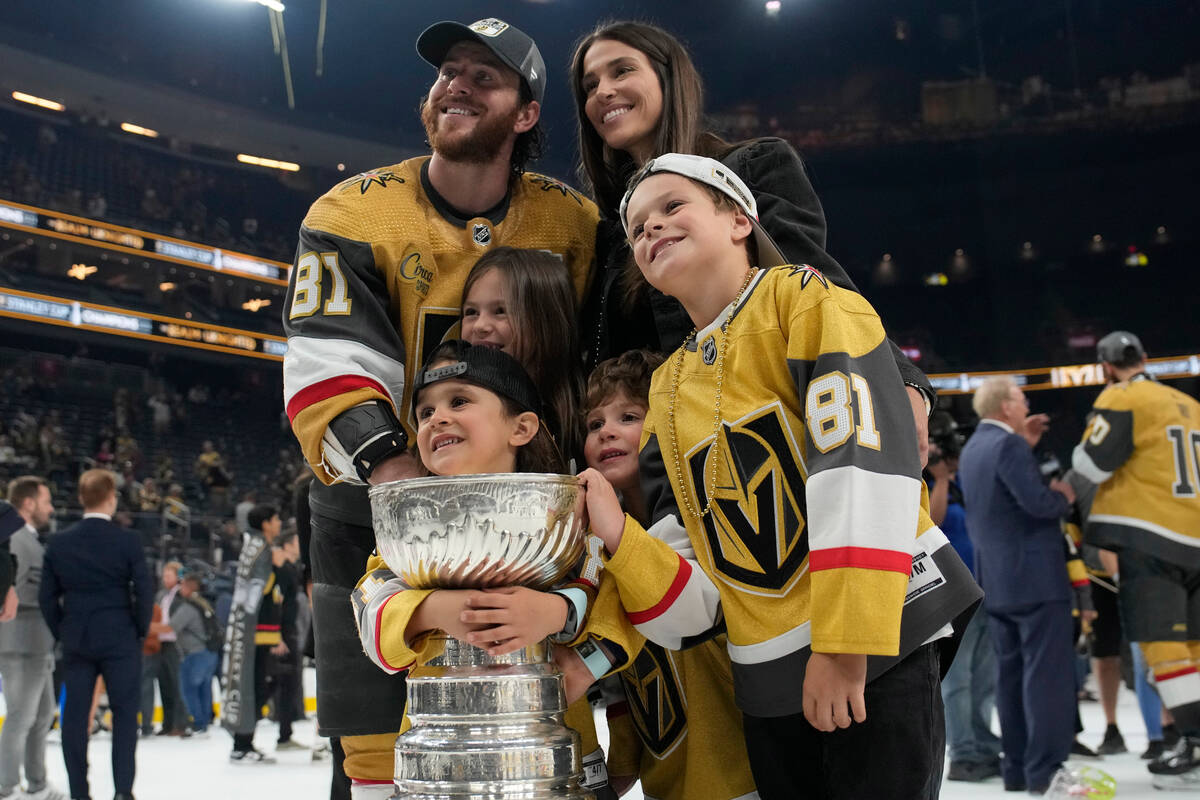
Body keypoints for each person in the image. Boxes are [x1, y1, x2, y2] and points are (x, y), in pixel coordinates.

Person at [578, 154, 979, 800]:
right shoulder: (669, 386)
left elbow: (862, 467)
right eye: (637, 229)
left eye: (671, 207)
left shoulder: (810, 302)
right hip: (768, 681)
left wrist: (847, 647)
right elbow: (696, 586)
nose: (650, 230)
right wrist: (622, 538)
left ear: (739, 219)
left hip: (876, 644)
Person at [280, 17, 598, 795]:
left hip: (530, 512)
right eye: (447, 72)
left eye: (482, 77)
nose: (455, 84)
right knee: (373, 750)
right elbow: (329, 363)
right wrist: (407, 489)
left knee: (536, 725)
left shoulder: (576, 224)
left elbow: (603, 358)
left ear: (525, 115)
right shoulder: (350, 214)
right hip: (373, 507)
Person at [568, 20, 935, 463]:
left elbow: (814, 283)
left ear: (668, 78)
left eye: (621, 71)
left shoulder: (752, 167)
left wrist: (900, 381)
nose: (603, 91)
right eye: (590, 85)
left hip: (764, 438)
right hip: (664, 462)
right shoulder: (611, 231)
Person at [351, 342, 623, 799]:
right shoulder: (404, 527)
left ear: (522, 427)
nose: (436, 418)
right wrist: (435, 609)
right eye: (424, 412)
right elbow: (368, 608)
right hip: (441, 763)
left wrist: (559, 618)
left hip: (549, 758)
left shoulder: (566, 517)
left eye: (459, 401)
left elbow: (621, 601)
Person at [581, 351, 759, 800]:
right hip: (665, 781)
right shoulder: (598, 546)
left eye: (628, 416)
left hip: (742, 775)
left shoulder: (707, 524)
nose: (607, 431)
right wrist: (623, 759)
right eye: (594, 424)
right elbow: (621, 672)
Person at [1072, 331, 1200, 788]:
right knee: (1196, 649)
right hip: (1195, 536)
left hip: (1151, 538)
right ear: (1145, 357)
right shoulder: (1186, 403)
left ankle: (1193, 738)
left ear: (1107, 368)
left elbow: (1090, 465)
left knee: (1163, 649)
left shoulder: (1124, 397)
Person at [957, 376, 1078, 794]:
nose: (1026, 405)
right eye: (1022, 399)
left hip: (998, 581)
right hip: (1036, 582)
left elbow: (1003, 499)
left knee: (1010, 678)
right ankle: (1046, 771)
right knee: (1046, 678)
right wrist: (1062, 495)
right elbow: (1036, 502)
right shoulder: (1007, 445)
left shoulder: (974, 448)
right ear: (1005, 407)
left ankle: (1019, 771)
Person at [39, 469, 153, 800]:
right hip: (120, 635)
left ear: (80, 498)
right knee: (124, 714)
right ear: (112, 499)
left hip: (77, 636)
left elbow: (47, 597)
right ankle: (122, 792)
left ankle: (79, 792)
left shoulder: (59, 542)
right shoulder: (127, 540)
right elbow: (144, 590)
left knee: (74, 718)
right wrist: (138, 630)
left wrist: (62, 629)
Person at [926, 429, 1002, 783]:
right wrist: (940, 479)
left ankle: (983, 743)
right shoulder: (925, 481)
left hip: (984, 588)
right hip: (954, 594)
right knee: (958, 678)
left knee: (985, 676)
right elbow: (934, 522)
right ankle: (963, 753)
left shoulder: (969, 480)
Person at [460, 246, 586, 460]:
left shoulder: (586, 417)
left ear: (547, 321)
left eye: (500, 311)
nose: (480, 326)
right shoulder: (458, 413)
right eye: (471, 312)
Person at [0, 477, 65, 800]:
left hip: (37, 643)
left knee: (41, 715)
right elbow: (7, 591)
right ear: (28, 503)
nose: (51, 508)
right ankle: (6, 785)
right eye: (46, 501)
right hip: (20, 642)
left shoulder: (29, 539)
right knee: (21, 716)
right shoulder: (15, 539)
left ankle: (37, 782)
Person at [222, 504, 285, 763]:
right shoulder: (262, 549)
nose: (279, 522)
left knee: (257, 685)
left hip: (251, 631)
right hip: (258, 634)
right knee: (256, 685)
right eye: (276, 518)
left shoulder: (252, 546)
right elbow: (261, 587)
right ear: (266, 523)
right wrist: (278, 568)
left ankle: (244, 742)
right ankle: (243, 743)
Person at [141, 561, 189, 737]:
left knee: (177, 684)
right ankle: (167, 723)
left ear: (178, 577)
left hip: (175, 644)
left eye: (169, 575)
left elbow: (176, 623)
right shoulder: (161, 595)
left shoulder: (181, 596)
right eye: (164, 576)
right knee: (165, 685)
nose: (165, 579)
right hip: (159, 644)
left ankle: (180, 723)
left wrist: (151, 628)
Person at [171, 572, 218, 734]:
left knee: (189, 689)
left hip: (194, 653)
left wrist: (147, 628)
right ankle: (204, 722)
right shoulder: (204, 603)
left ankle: (198, 723)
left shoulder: (188, 607)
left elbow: (172, 627)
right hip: (210, 652)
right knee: (204, 688)